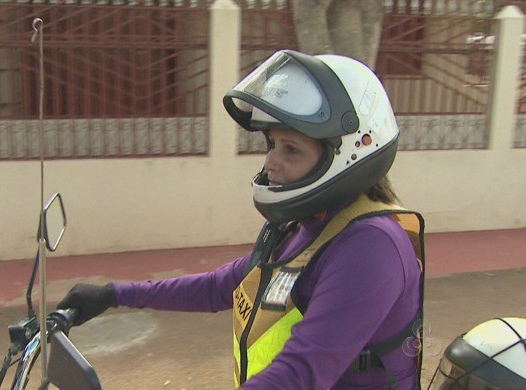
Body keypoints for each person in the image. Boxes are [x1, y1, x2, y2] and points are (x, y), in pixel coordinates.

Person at [57, 49, 426, 389]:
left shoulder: (370, 247)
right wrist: (113, 294)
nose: (271, 163)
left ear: (347, 156)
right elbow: (227, 285)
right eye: (272, 145)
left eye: (291, 150)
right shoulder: (308, 225)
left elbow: (301, 373)